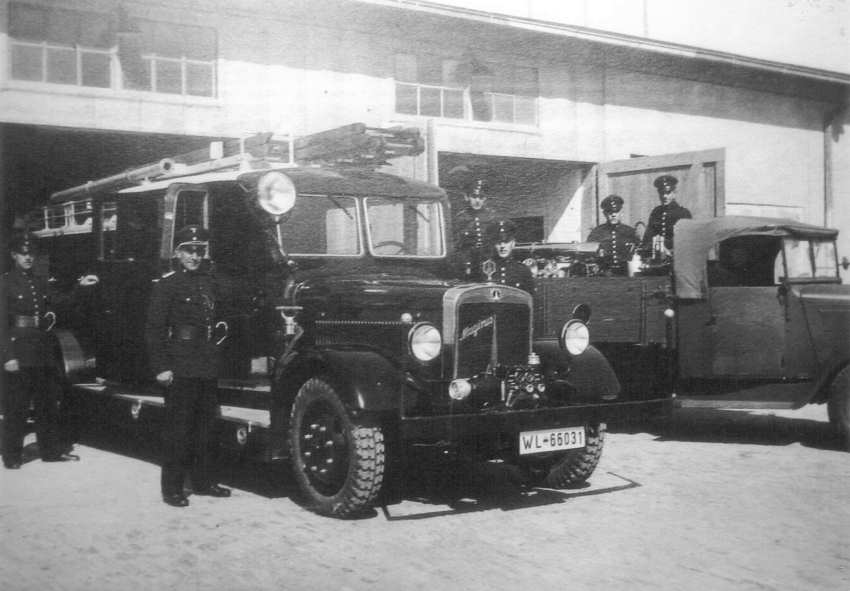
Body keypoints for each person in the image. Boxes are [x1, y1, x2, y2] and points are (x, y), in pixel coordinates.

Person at [145, 225, 232, 507]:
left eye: (199, 251)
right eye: (189, 251)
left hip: (206, 363)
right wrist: (161, 366)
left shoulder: (209, 282)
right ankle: (172, 488)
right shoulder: (167, 285)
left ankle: (204, 482)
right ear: (178, 253)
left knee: (207, 428)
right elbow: (154, 329)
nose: (195, 256)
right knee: (179, 430)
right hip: (180, 364)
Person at [2, 234, 91, 468]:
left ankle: (50, 451)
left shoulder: (40, 282)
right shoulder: (5, 283)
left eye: (31, 253)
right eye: (23, 253)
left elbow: (61, 302)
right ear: (14, 256)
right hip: (19, 352)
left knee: (47, 405)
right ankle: (11, 456)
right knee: (17, 408)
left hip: (42, 352)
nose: (28, 257)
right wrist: (8, 356)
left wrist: (79, 288)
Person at [453, 177, 497, 279]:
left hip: (488, 262)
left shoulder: (491, 216)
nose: (477, 200)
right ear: (467, 197)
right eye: (474, 196)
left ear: (485, 199)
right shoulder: (461, 217)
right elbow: (456, 245)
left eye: (481, 197)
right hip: (467, 262)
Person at [587, 194, 639, 275]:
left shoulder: (630, 232)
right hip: (604, 275)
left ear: (621, 212)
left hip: (626, 274)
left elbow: (638, 253)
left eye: (616, 211)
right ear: (604, 213)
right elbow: (589, 254)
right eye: (610, 212)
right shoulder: (597, 232)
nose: (613, 215)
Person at [642, 174, 692, 258]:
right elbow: (647, 238)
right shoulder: (656, 213)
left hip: (678, 258)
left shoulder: (683, 213)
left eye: (668, 193)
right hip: (657, 258)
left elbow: (687, 241)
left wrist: (668, 249)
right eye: (661, 193)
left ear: (674, 193)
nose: (664, 196)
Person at [484, 219, 535, 294]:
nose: (502, 246)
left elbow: (531, 299)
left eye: (506, 242)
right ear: (493, 244)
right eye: (499, 242)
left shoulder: (523, 271)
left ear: (513, 244)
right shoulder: (485, 269)